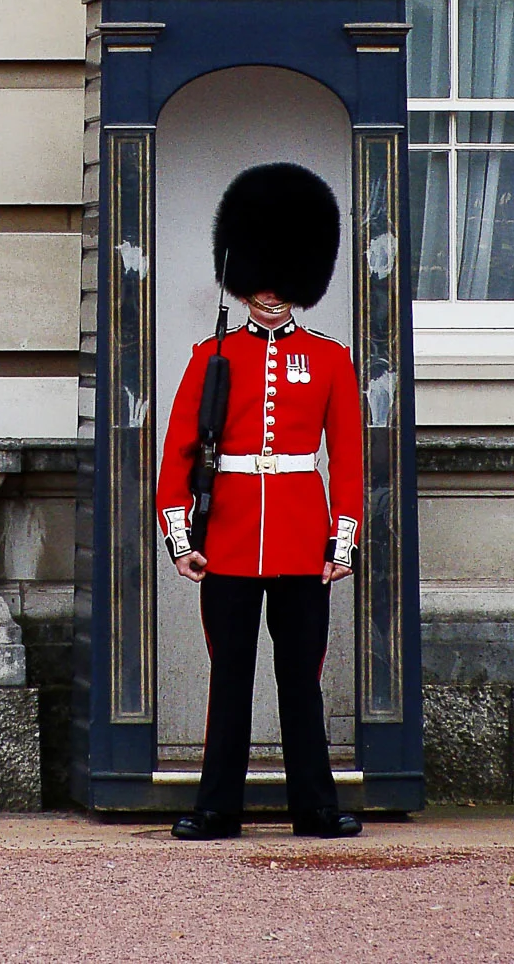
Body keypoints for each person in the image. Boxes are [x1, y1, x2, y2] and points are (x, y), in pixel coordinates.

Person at [155, 162, 364, 841]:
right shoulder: (208, 356)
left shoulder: (329, 360)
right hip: (232, 540)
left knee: (300, 680)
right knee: (231, 679)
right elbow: (177, 455)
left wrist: (341, 540)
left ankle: (315, 806)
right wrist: (183, 540)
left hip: (303, 540)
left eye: (281, 278)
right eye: (260, 278)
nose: (270, 293)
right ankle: (218, 807)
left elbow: (348, 458)